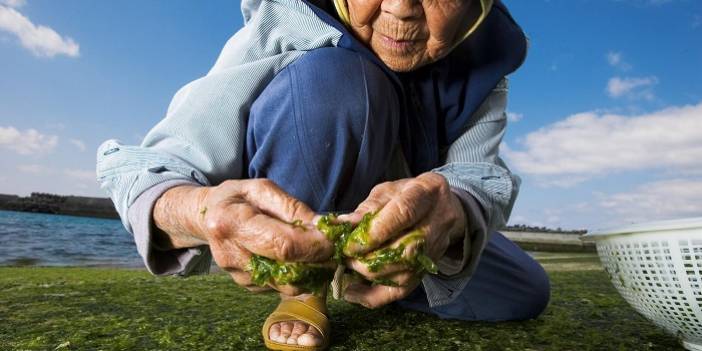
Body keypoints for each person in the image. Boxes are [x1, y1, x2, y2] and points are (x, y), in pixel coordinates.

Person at [96, 0, 550, 349]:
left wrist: (453, 212)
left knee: (525, 291)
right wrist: (197, 210)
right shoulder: (285, 22)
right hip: (300, 215)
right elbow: (147, 168)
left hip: (399, 233)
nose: (399, 9)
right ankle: (304, 288)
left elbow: (477, 173)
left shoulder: (483, 67)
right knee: (336, 81)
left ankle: (376, 273)